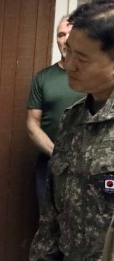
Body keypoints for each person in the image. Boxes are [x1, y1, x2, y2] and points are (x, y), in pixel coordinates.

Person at [29, 0, 114, 261]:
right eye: (67, 52)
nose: (69, 65)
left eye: (82, 58)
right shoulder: (72, 119)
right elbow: (53, 209)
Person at [26, 16, 84, 212]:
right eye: (61, 34)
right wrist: (57, 154)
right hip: (50, 163)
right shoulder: (44, 78)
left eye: (70, 34)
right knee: (48, 223)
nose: (65, 39)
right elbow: (33, 124)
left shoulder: (94, 76)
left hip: (88, 165)